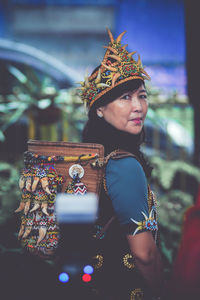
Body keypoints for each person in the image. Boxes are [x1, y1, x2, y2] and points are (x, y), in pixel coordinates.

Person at [79, 28, 164, 300]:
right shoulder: (124, 165)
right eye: (125, 97)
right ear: (100, 109)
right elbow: (145, 254)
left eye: (141, 95)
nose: (138, 106)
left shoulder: (91, 157)